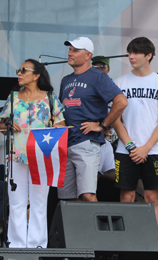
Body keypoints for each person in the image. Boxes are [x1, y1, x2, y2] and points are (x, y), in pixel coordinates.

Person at [0, 59, 65, 248]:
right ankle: (16, 246)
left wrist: (53, 127)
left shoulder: (50, 98)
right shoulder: (13, 97)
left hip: (42, 156)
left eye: (23, 70)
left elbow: (60, 124)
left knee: (39, 202)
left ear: (36, 75)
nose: (19, 73)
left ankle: (37, 245)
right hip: (17, 154)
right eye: (19, 70)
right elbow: (1, 125)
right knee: (16, 202)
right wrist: (9, 125)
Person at [113, 37, 158, 226]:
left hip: (153, 150)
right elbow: (115, 119)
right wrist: (132, 147)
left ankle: (152, 246)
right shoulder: (120, 82)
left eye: (136, 52)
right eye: (130, 52)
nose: (131, 56)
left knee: (151, 198)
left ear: (148, 55)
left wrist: (145, 148)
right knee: (126, 196)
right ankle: (125, 244)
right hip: (126, 150)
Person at [58, 37, 127, 202]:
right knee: (68, 198)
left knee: (87, 194)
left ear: (88, 55)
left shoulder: (98, 77)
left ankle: (97, 228)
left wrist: (102, 125)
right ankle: (74, 229)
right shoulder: (65, 80)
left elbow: (121, 102)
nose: (70, 53)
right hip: (65, 142)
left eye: (75, 50)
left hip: (86, 141)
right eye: (70, 50)